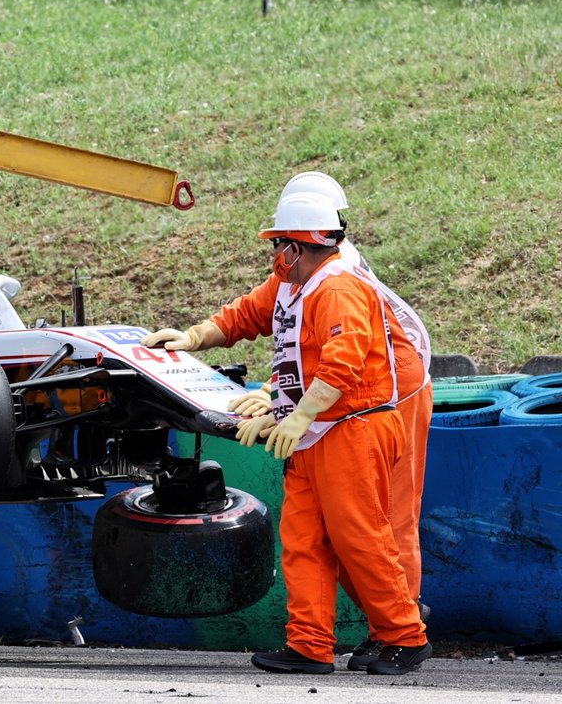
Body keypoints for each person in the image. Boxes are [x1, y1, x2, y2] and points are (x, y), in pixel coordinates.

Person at [144, 190, 431, 677]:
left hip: (350, 428)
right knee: (303, 539)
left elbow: (343, 362)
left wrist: (294, 416)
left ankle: (404, 636)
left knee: (361, 537)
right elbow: (245, 316)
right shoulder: (295, 282)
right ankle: (310, 645)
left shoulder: (337, 289)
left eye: (278, 244)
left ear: (296, 246)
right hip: (316, 430)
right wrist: (192, 337)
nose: (274, 255)